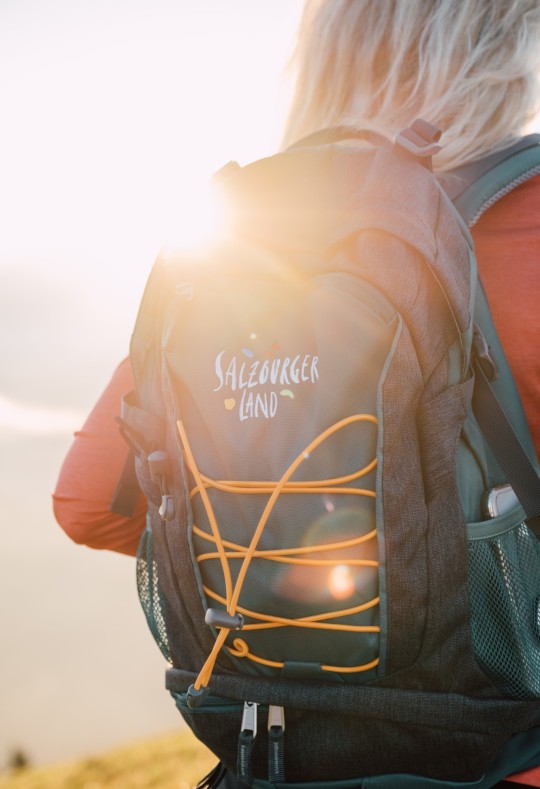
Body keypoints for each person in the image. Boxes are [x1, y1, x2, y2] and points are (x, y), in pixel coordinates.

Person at [53, 2, 540, 786]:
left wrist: (292, 550)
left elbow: (87, 502)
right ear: (504, 52)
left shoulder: (241, 247)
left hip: (281, 757)